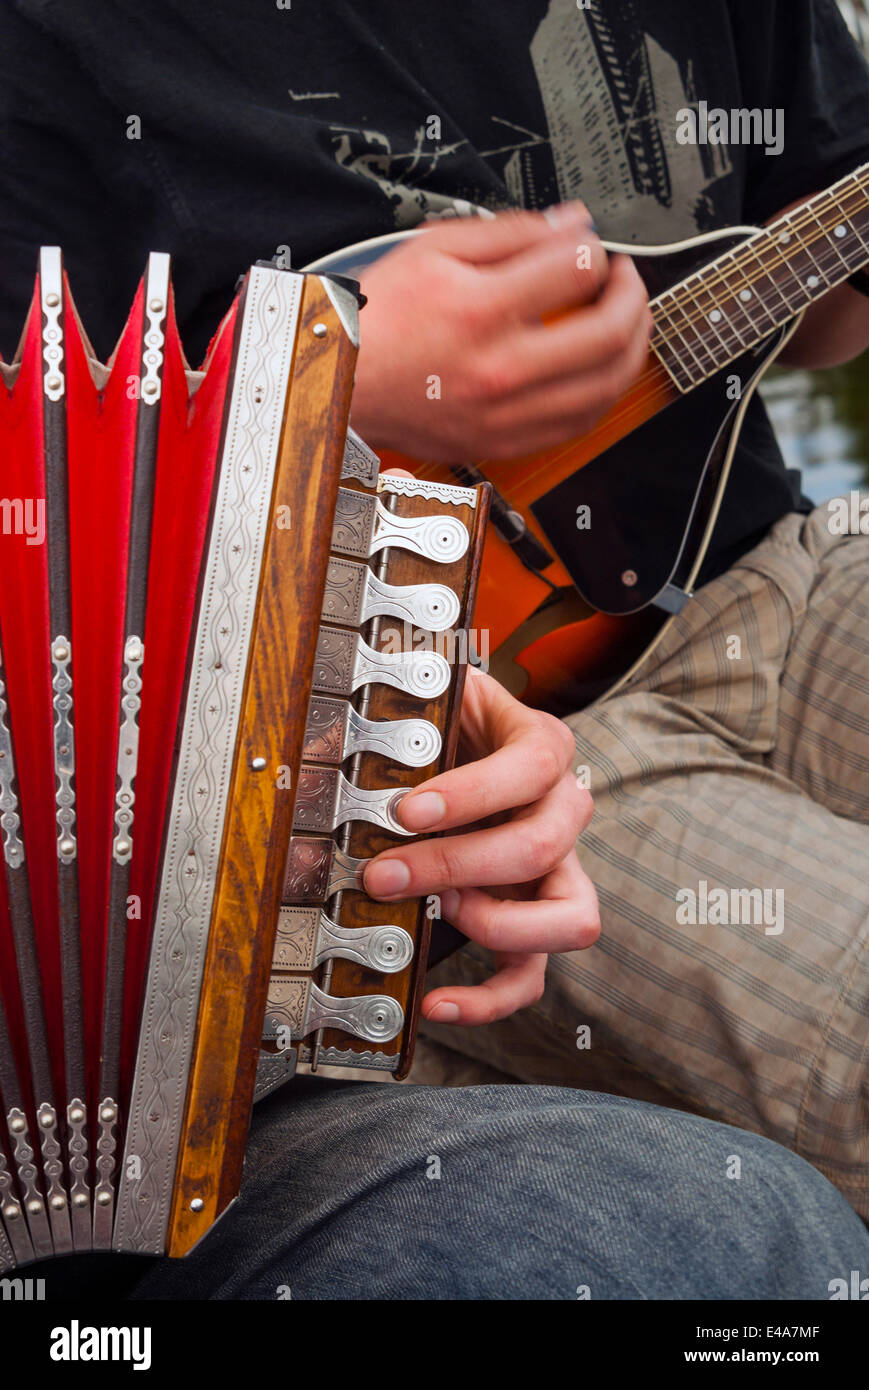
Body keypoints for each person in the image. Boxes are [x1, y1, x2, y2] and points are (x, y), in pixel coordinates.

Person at [1, 0, 868, 1298]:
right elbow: (54, 431)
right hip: (396, 709)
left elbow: (825, 321)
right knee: (755, 1208)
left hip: (754, 569)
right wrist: (317, 370)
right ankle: (379, 1006)